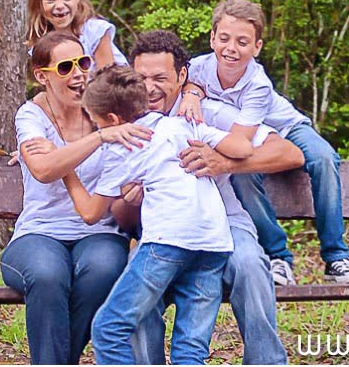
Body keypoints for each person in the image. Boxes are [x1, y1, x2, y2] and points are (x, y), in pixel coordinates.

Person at [61, 64, 252, 365]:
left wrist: (68, 174)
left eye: (97, 123)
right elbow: (242, 146)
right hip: (214, 245)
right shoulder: (182, 124)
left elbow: (90, 212)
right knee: (190, 350)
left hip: (167, 244)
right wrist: (215, 154)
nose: (98, 129)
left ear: (113, 121)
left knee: (108, 328)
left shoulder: (124, 145)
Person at [129, 29, 296, 364]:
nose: (149, 87)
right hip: (162, 231)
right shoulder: (126, 121)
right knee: (133, 285)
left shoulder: (207, 112)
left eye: (160, 77)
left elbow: (288, 152)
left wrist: (223, 161)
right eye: (141, 77)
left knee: (250, 266)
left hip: (226, 222)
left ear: (182, 76)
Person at [179, 0, 349, 285]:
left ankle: (336, 256)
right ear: (212, 38)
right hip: (245, 133)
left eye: (242, 42)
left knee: (324, 159)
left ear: (257, 48)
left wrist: (220, 160)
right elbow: (190, 83)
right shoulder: (197, 67)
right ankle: (278, 255)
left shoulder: (258, 83)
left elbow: (241, 142)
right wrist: (192, 92)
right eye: (225, 39)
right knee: (241, 177)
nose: (231, 48)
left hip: (284, 129)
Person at [0, 31, 151, 365]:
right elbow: (42, 169)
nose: (79, 73)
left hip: (98, 232)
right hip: (39, 232)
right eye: (66, 67)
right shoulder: (31, 115)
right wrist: (98, 139)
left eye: (83, 63)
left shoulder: (100, 110)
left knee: (103, 269)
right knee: (47, 274)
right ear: (43, 76)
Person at [26, 0, 128, 67]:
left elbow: (108, 77)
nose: (60, 6)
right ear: (38, 1)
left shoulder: (94, 32)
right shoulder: (40, 43)